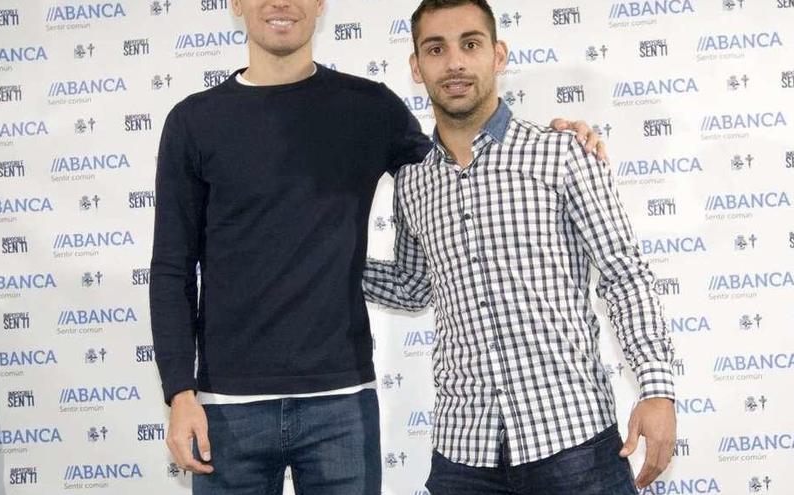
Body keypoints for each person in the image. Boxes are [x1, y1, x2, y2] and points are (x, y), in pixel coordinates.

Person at [149, 0, 608, 493]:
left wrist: (550, 137)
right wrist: (179, 391)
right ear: (236, 4)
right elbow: (172, 269)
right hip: (224, 407)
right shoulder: (193, 122)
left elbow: (457, 165)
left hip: (341, 405)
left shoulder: (368, 107)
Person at [362, 1, 677, 494]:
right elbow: (413, 285)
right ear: (416, 67)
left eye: (470, 44)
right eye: (436, 49)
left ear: (498, 55)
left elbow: (623, 273)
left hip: (573, 443)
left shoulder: (562, 153)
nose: (455, 63)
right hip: (463, 452)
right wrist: (326, 263)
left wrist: (656, 388)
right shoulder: (414, 184)